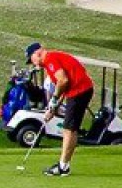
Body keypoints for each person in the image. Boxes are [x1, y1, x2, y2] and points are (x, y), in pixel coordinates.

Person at [27, 41, 93, 176]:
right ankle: (64, 165)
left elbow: (63, 81)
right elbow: (63, 85)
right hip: (79, 90)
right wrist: (53, 108)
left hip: (79, 90)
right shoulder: (51, 59)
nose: (32, 63)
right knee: (70, 129)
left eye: (31, 59)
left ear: (37, 53)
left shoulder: (50, 59)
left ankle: (63, 167)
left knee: (69, 129)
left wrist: (54, 99)